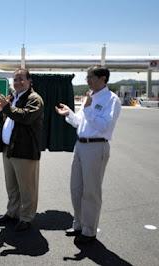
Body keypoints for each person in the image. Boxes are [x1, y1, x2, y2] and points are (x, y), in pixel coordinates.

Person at [55, 65, 121, 244]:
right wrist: (69, 113)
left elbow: (104, 126)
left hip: (96, 147)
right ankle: (78, 225)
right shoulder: (89, 98)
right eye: (87, 77)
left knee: (91, 191)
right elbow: (79, 123)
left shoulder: (111, 100)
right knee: (76, 188)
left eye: (91, 77)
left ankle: (89, 231)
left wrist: (89, 109)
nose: (87, 80)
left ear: (103, 79)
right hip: (81, 146)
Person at [0, 68, 44, 231]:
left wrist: (7, 107)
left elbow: (25, 117)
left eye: (21, 79)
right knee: (12, 185)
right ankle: (12, 212)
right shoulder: (13, 97)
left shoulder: (34, 99)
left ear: (29, 81)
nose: (17, 82)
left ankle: (27, 218)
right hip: (9, 148)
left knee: (27, 187)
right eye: (15, 79)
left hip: (25, 150)